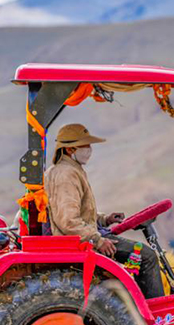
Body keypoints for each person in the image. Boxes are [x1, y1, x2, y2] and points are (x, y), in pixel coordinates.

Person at [45, 123, 164, 299]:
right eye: (85, 145)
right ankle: (159, 314)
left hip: (83, 236)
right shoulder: (66, 175)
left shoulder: (69, 170)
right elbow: (68, 220)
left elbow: (78, 211)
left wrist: (104, 219)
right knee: (147, 257)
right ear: (70, 149)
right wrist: (97, 240)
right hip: (80, 242)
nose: (89, 149)